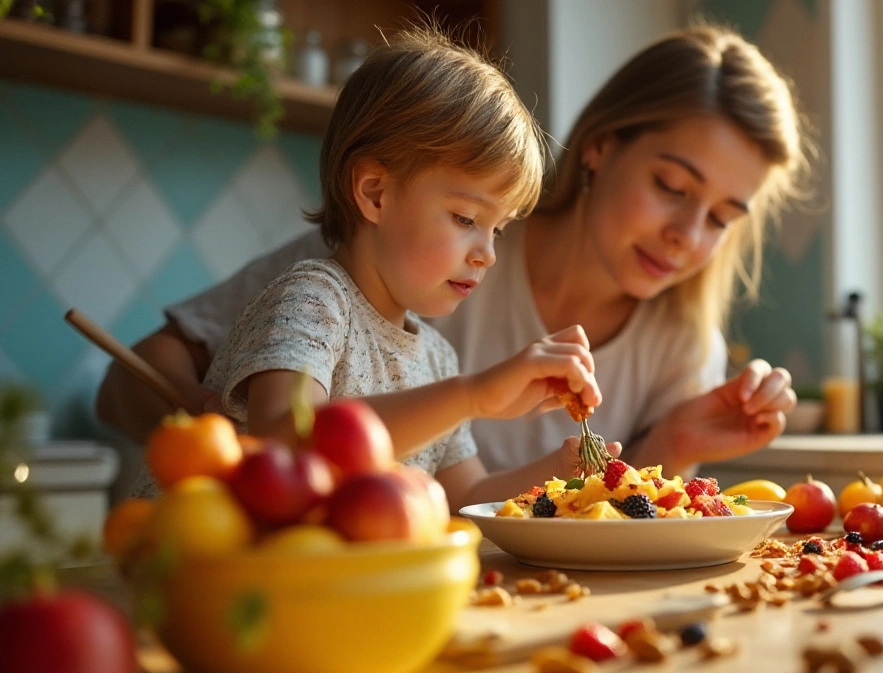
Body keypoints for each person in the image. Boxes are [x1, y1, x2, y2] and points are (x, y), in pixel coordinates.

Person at [99, 23, 809, 486]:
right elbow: (269, 432)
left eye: (722, 217)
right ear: (601, 147)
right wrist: (201, 425)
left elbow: (476, 506)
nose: (689, 234)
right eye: (670, 185)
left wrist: (649, 451)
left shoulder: (437, 332)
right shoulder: (359, 268)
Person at [131, 26, 608, 510]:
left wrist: (560, 473)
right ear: (375, 193)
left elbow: (466, 497)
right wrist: (473, 396)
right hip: (201, 564)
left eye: (498, 229)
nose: (488, 254)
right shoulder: (312, 300)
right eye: (466, 219)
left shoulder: (437, 358)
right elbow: (284, 441)